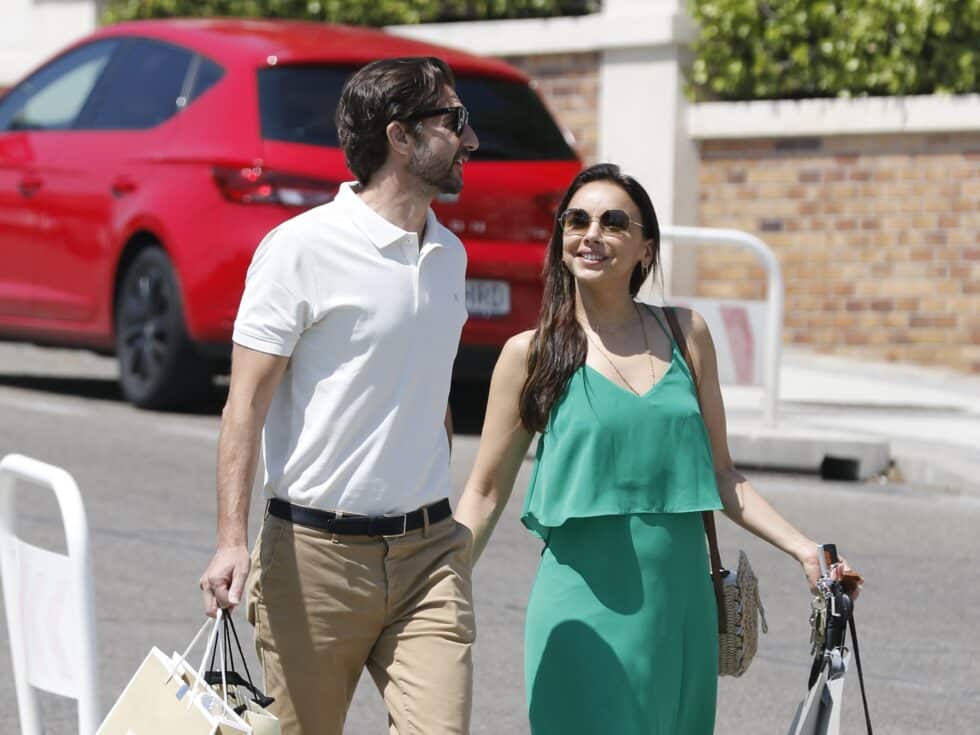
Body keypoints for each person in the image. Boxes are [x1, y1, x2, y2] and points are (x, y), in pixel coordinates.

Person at [455, 163, 862, 734]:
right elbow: (484, 489)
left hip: (680, 608)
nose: (590, 234)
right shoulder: (532, 353)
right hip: (580, 609)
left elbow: (722, 475)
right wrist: (439, 584)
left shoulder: (687, 336)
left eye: (613, 222)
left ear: (646, 248)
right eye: (577, 220)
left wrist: (805, 549)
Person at [198, 57, 480, 735]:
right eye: (454, 121)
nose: (470, 140)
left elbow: (429, 387)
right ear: (401, 137)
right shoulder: (301, 248)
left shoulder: (451, 254)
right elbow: (246, 404)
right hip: (315, 558)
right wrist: (232, 540)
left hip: (428, 555)